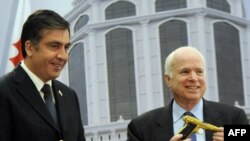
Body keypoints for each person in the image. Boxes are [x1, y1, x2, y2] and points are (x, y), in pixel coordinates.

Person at [127, 46, 248, 141]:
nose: (194, 78)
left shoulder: (234, 118)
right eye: (185, 72)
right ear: (168, 79)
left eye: (199, 72)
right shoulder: (140, 127)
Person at [0, 10, 85, 141]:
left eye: (66, 47)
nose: (63, 56)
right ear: (30, 48)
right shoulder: (4, 91)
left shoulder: (69, 96)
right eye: (55, 46)